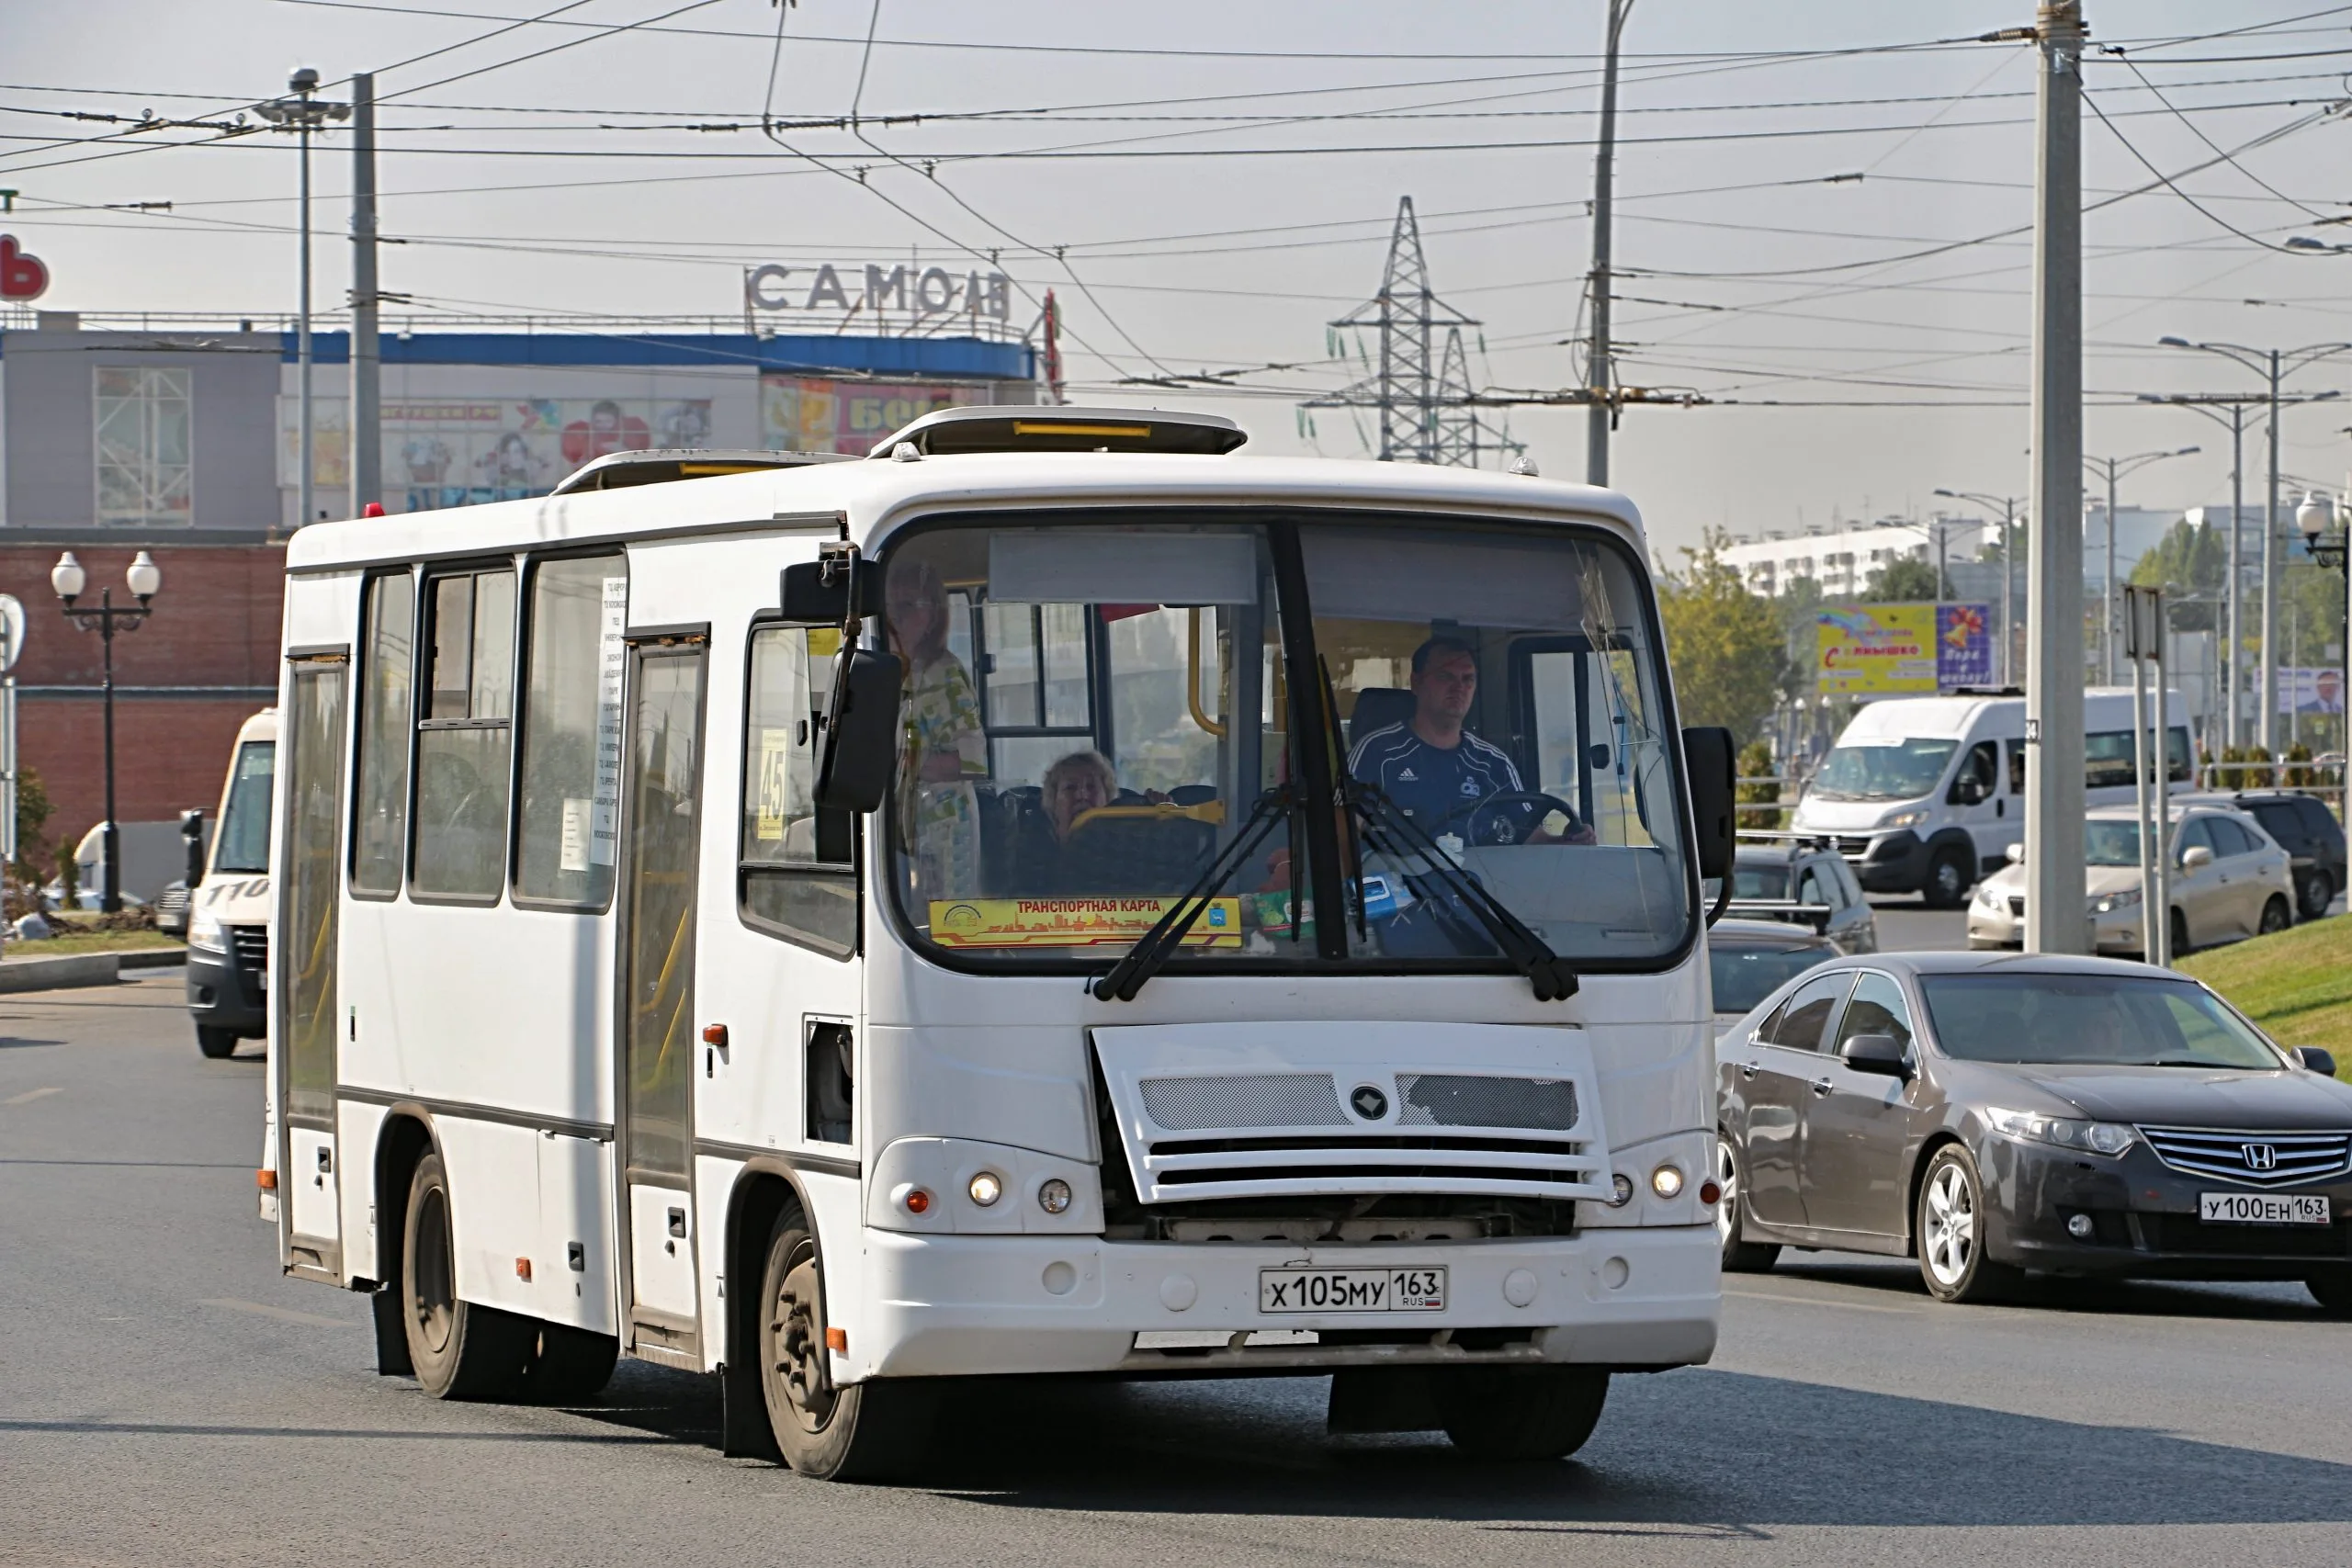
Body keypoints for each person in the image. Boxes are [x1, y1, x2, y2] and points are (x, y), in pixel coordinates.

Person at [1348, 636, 1588, 847]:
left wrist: (1571, 842)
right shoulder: (1377, 752)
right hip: (1402, 893)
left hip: (1481, 894)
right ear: (1417, 682)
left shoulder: (1494, 764)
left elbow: (1529, 840)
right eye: (1446, 677)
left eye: (1467, 679)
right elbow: (1341, 836)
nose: (1459, 687)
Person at [887, 558, 985, 898]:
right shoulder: (888, 668)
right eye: (888, 605)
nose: (895, 615)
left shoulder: (944, 674)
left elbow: (972, 761)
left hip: (944, 830)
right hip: (901, 826)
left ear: (933, 617)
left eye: (908, 605)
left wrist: (903, 767)